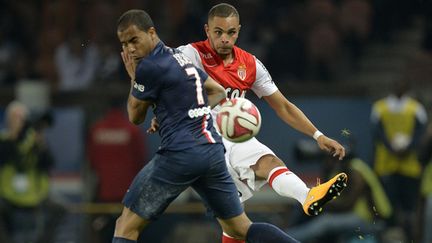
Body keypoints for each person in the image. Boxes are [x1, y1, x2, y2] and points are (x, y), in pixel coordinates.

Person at [113, 9, 299, 243]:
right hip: (211, 153)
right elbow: (217, 91)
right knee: (240, 228)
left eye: (134, 40)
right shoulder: (178, 57)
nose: (130, 49)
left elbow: (135, 117)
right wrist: (188, 112)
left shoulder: (149, 67)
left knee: (125, 226)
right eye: (124, 44)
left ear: (151, 32)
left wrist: (133, 77)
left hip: (180, 154)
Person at [177, 3, 348, 241]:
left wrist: (318, 135)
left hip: (234, 138)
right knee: (235, 225)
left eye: (231, 33)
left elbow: (283, 106)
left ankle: (308, 196)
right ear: (207, 30)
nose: (225, 39)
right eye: (218, 32)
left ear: (238, 31)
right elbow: (160, 75)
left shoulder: (250, 64)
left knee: (266, 165)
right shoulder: (190, 54)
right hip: (200, 141)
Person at [286, 140, 392, 242]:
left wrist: (322, 205)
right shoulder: (345, 169)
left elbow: (348, 204)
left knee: (325, 222)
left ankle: (284, 238)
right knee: (304, 205)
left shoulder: (356, 170)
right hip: (356, 215)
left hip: (369, 219)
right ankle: (287, 234)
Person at [370, 78, 427, 240]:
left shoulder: (416, 108)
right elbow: (376, 132)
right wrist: (391, 147)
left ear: (407, 88)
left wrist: (407, 147)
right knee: (388, 205)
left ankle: (409, 236)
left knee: (409, 205)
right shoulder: (379, 107)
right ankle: (390, 236)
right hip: (387, 164)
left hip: (409, 165)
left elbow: (420, 132)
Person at [86, 98, 148, 243]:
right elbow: (141, 160)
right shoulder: (132, 131)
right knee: (128, 232)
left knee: (103, 232)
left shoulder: (97, 130)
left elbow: (92, 160)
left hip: (104, 193)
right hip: (128, 195)